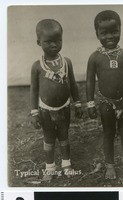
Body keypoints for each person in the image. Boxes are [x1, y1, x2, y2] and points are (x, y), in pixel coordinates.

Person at [86, 10, 123, 179]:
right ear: (97, 34)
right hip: (106, 104)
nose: (110, 36)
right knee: (108, 133)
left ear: (120, 30)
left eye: (114, 31)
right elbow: (90, 82)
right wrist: (90, 103)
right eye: (104, 33)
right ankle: (110, 165)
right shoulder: (95, 58)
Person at [30, 19, 83, 181]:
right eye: (49, 41)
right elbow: (34, 90)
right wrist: (34, 112)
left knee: (64, 136)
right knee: (49, 138)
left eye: (58, 40)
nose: (54, 45)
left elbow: (73, 83)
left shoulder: (66, 62)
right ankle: (50, 167)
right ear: (39, 42)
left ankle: (66, 164)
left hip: (64, 108)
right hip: (46, 109)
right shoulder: (37, 66)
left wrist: (78, 103)